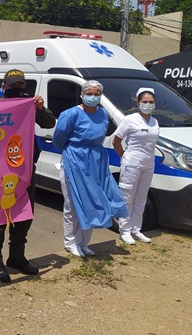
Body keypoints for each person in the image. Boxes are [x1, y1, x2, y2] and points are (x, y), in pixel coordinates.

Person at [0, 69, 56, 283]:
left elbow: (49, 123)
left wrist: (41, 108)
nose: (17, 88)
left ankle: (17, 257)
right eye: (13, 85)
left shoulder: (29, 105)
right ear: (4, 86)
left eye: (21, 85)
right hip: (0, 170)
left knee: (24, 214)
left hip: (25, 169)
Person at [52, 80, 127, 258]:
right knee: (73, 203)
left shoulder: (102, 113)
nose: (93, 97)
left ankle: (84, 242)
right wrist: (73, 153)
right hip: (75, 160)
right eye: (89, 93)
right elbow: (58, 139)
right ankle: (71, 242)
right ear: (82, 94)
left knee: (94, 201)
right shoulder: (70, 114)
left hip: (96, 161)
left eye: (96, 94)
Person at [112, 87, 159, 245]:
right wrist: (124, 157)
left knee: (141, 198)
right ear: (138, 103)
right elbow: (116, 141)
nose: (148, 104)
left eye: (151, 102)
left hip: (148, 163)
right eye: (145, 101)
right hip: (132, 162)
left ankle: (136, 229)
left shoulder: (154, 121)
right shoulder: (130, 119)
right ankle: (125, 231)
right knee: (127, 198)